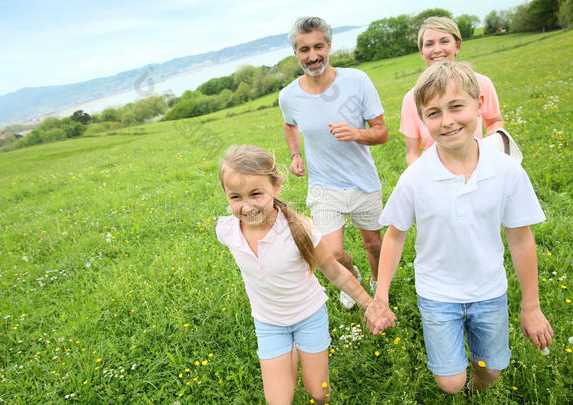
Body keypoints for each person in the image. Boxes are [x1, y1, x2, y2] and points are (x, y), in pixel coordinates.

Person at [365, 61, 553, 394]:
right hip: (437, 293)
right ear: (422, 121)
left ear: (479, 105)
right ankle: (457, 379)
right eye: (434, 113)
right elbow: (394, 236)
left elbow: (521, 240)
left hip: (489, 290)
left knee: (491, 371)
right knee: (451, 383)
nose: (448, 121)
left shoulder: (507, 170)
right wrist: (380, 298)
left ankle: (478, 382)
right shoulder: (415, 178)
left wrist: (532, 306)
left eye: (456, 107)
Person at [216, 145, 377, 405]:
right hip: (269, 323)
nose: (246, 207)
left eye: (256, 194)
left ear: (276, 187)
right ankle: (287, 350)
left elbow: (335, 271)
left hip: (308, 316)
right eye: (235, 197)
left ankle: (297, 352)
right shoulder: (227, 230)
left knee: (318, 393)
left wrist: (370, 304)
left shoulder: (298, 229)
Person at [278, 16, 389, 308]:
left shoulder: (356, 81)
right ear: (296, 53)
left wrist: (356, 133)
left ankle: (377, 285)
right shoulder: (288, 96)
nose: (312, 56)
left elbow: (382, 133)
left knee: (374, 245)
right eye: (304, 50)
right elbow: (290, 125)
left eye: (318, 47)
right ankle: (351, 277)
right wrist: (296, 155)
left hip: (362, 181)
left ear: (329, 45)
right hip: (324, 185)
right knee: (332, 253)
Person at [400, 16, 504, 166]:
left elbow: (495, 121)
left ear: (457, 46)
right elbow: (412, 153)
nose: (437, 50)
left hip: (478, 165)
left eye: (444, 41)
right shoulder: (411, 99)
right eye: (429, 44)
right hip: (438, 175)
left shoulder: (482, 84)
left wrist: (491, 147)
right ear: (422, 52)